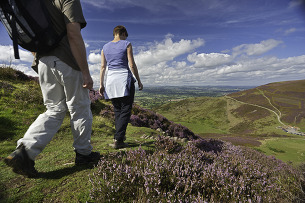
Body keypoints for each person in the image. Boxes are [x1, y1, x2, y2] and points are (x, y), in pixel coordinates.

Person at [4, 0, 100, 177]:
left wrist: (43, 58)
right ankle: (84, 154)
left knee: (53, 110)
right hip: (67, 60)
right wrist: (85, 72)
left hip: (43, 62)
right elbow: (73, 34)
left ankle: (24, 153)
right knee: (80, 107)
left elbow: (30, 37)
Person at [99, 25, 143, 149]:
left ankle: (119, 137)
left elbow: (103, 67)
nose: (125, 38)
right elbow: (132, 64)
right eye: (125, 36)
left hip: (110, 81)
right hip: (124, 79)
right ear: (122, 33)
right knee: (126, 110)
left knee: (118, 110)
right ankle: (118, 140)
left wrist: (101, 84)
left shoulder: (104, 47)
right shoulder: (127, 44)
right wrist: (139, 81)